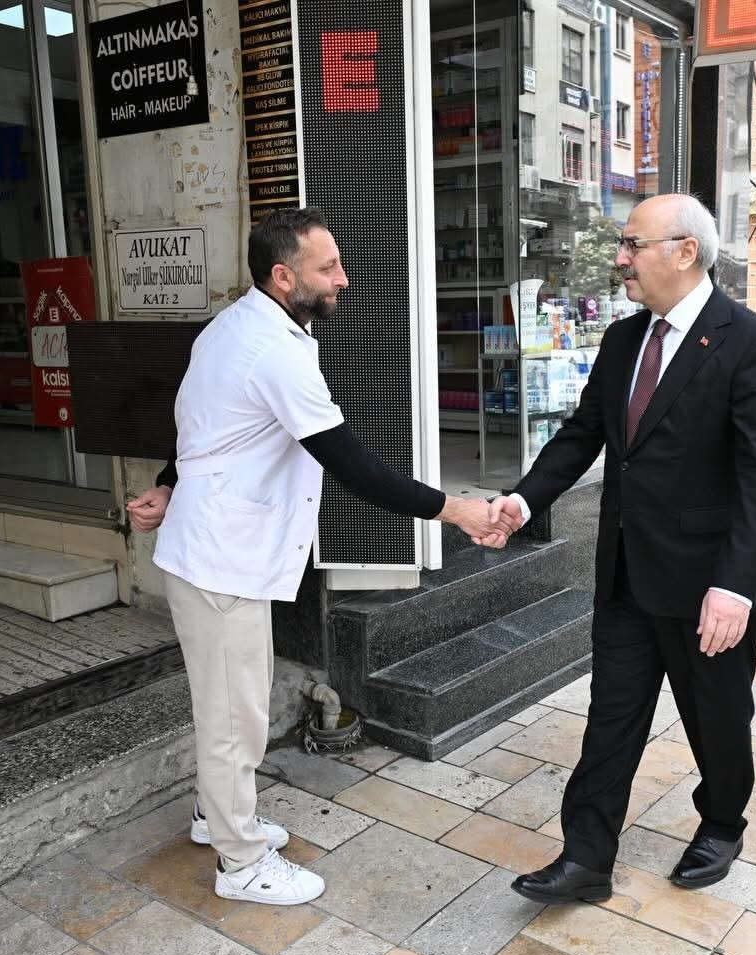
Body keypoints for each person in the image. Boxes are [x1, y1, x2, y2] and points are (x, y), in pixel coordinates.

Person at [125, 207, 513, 906]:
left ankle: (217, 816)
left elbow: (207, 429)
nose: (344, 279)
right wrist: (456, 510)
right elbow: (351, 464)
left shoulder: (236, 327)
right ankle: (241, 862)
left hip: (220, 549)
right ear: (284, 277)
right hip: (223, 561)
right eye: (327, 267)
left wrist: (167, 483)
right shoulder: (268, 348)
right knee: (234, 718)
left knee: (232, 705)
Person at [486, 194, 756, 902]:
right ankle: (586, 858)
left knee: (717, 717)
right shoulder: (625, 339)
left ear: (685, 252)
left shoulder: (751, 342)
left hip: (708, 583)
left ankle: (723, 822)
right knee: (611, 718)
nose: (620, 259)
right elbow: (581, 434)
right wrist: (524, 501)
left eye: (632, 245)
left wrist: (735, 586)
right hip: (627, 572)